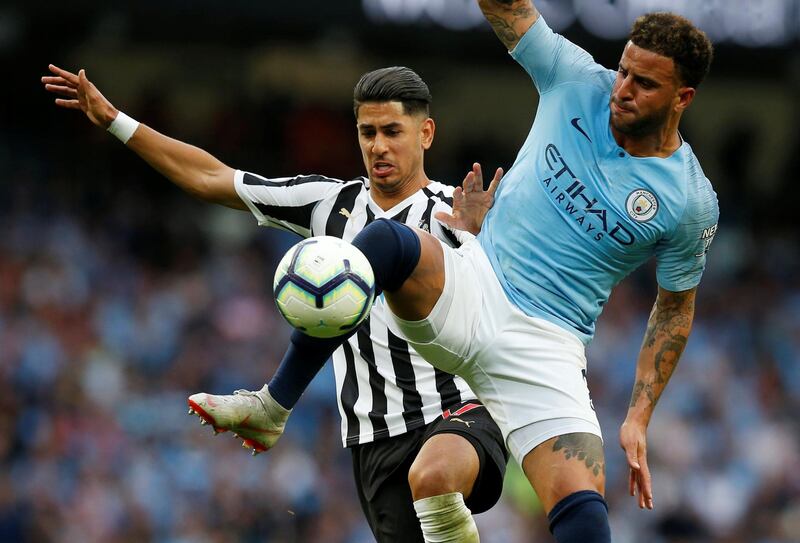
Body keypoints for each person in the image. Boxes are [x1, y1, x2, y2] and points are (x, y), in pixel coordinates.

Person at [187, 3, 717, 542]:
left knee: (582, 512)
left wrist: (638, 417)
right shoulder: (576, 78)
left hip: (549, 345)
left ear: (683, 98)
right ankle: (272, 406)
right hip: (475, 282)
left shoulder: (689, 201)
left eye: (644, 83)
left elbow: (674, 308)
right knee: (386, 240)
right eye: (624, 70)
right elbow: (508, 9)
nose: (622, 89)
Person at [41, 65, 508, 542]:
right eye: (367, 132)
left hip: (459, 411)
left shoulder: (460, 212)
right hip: (376, 440)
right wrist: (116, 119)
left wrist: (477, 242)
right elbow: (210, 178)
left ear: (425, 133)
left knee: (436, 475)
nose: (378, 147)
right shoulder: (327, 203)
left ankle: (272, 405)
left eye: (392, 131)